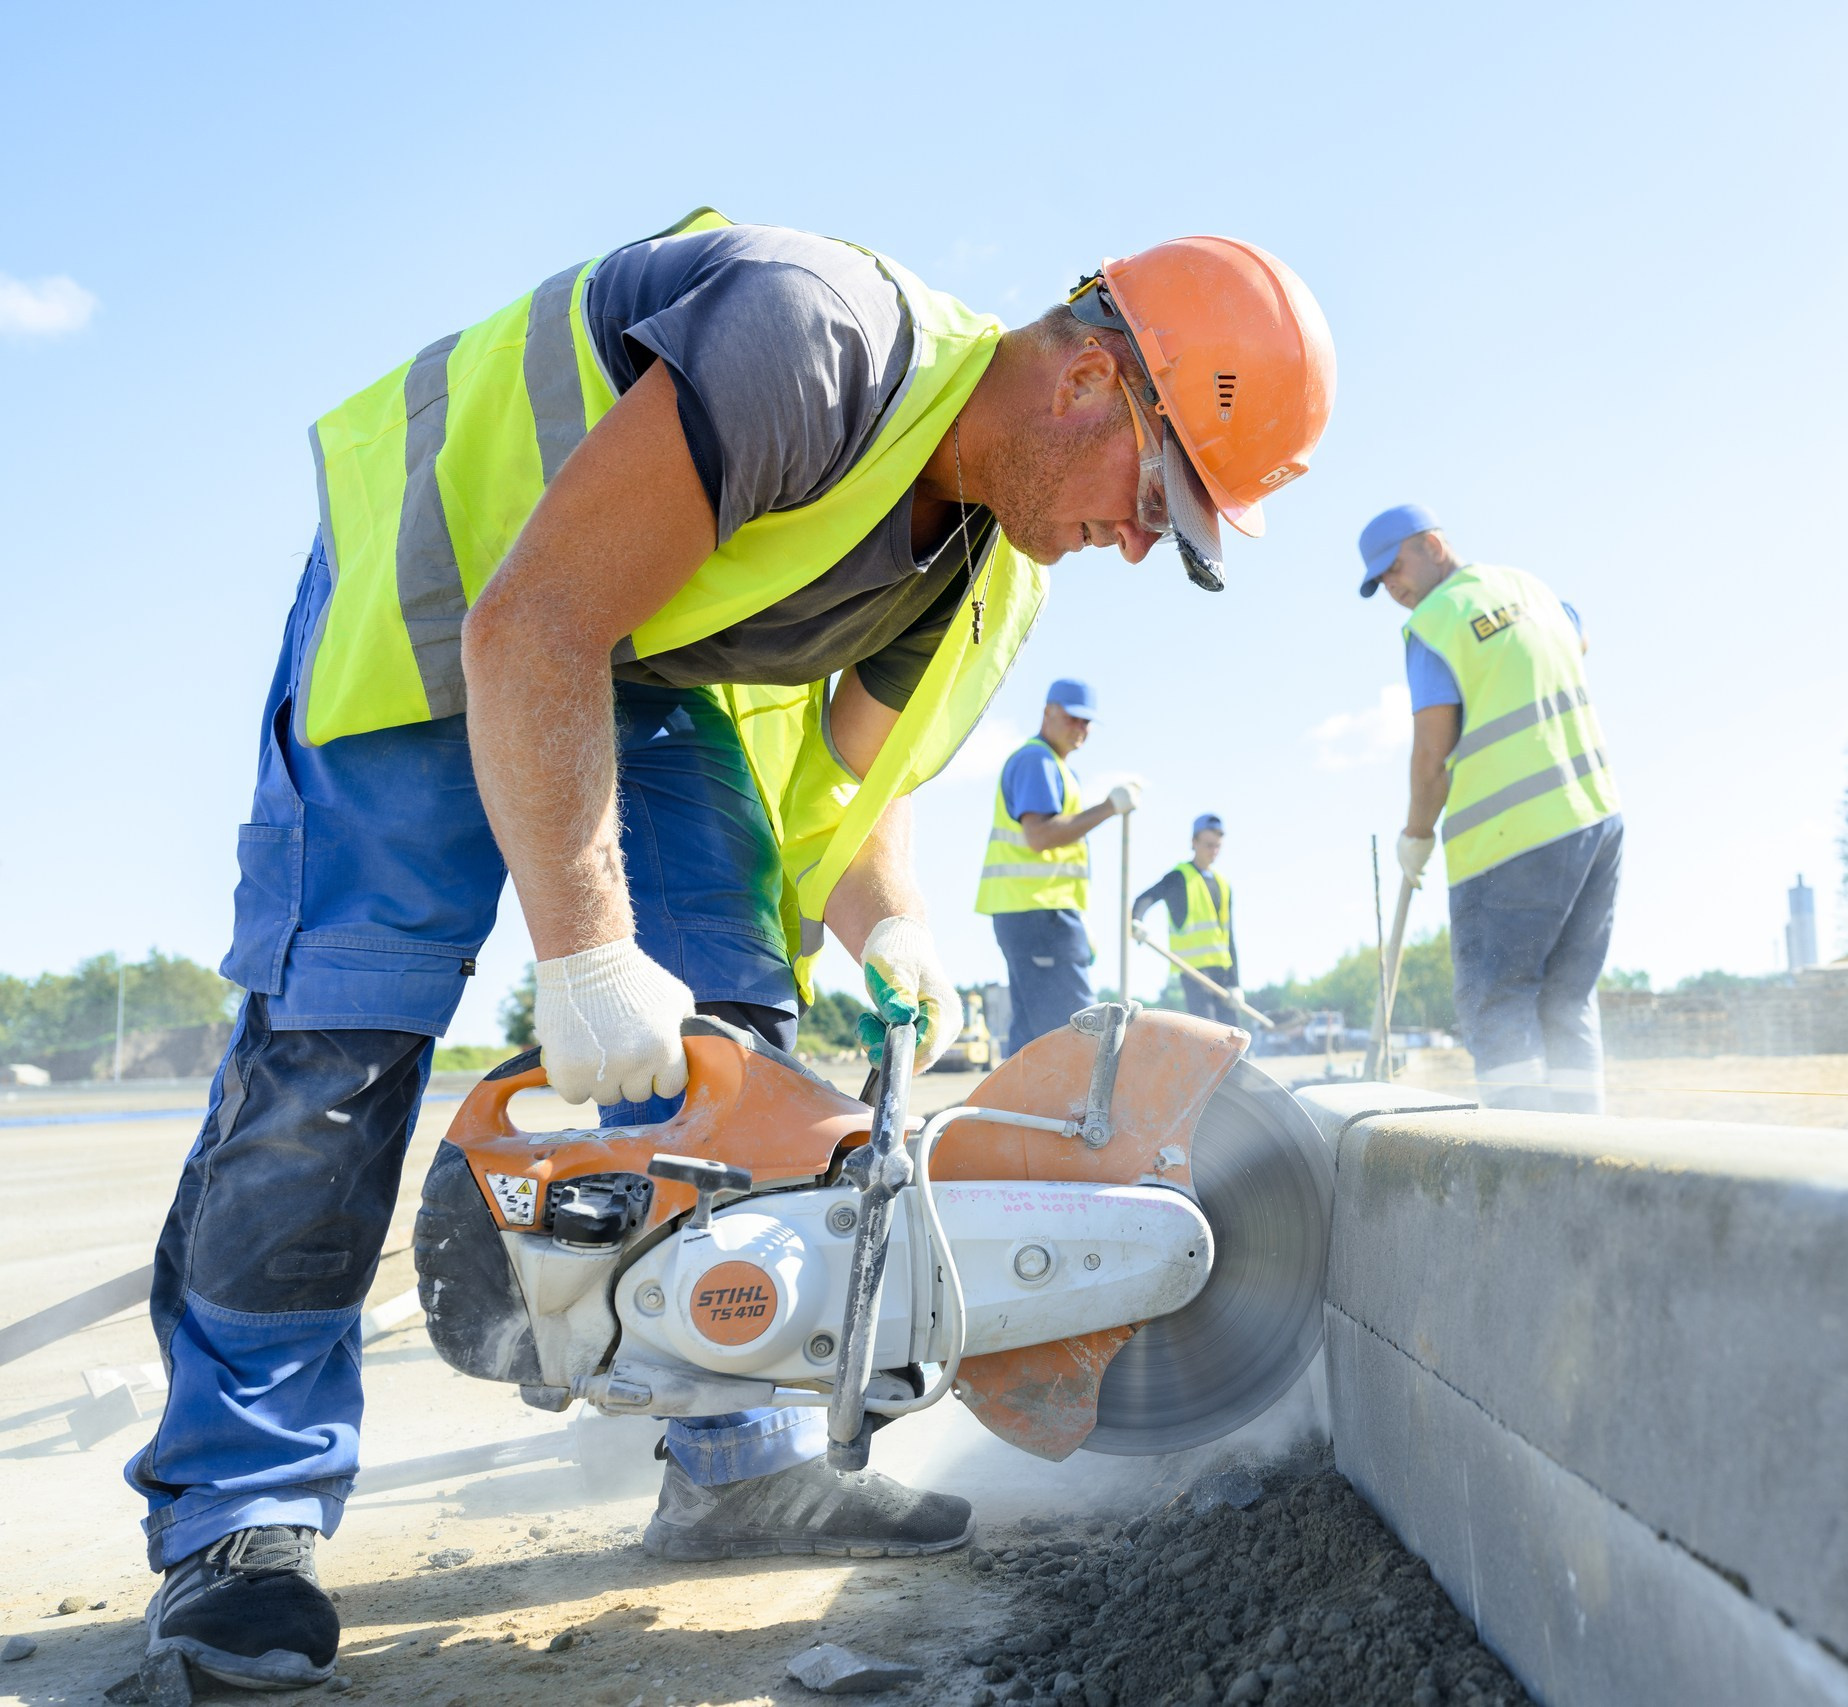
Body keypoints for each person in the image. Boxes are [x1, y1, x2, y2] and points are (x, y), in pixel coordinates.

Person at [131, 210, 1334, 1693]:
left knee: (735, 1032)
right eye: (1159, 494)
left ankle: (734, 1458)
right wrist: (583, 954)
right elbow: (532, 624)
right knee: (339, 1045)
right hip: (442, 585)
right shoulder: (813, 338)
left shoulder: (997, 564)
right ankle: (239, 1516)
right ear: (1092, 378)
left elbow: (850, 792)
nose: (1144, 542)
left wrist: (892, 923)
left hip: (636, 655)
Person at [1358, 504, 1621, 1115]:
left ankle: (1517, 1154)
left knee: (1496, 1000)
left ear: (1432, 545)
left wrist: (1416, 834)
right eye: (1380, 581)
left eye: (1394, 568)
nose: (1392, 586)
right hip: (1595, 819)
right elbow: (1578, 638)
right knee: (1567, 1000)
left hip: (1510, 838)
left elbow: (1432, 755)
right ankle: (1585, 1147)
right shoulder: (1532, 589)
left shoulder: (1434, 623)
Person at [977, 679, 1137, 1051]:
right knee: (1077, 1038)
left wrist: (1076, 921)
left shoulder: (1054, 767)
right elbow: (1040, 836)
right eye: (1072, 717)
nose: (1080, 727)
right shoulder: (1037, 761)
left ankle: (1019, 1092)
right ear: (1048, 712)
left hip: (1036, 914)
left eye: (1087, 721)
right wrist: (1108, 808)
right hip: (1039, 913)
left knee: (1035, 1039)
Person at [1135, 813, 1243, 1027]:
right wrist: (1136, 920)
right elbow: (1145, 898)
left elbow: (1229, 937)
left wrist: (1235, 983)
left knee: (1234, 1034)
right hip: (1194, 972)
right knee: (1209, 1031)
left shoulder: (1223, 884)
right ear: (1194, 842)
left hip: (1222, 974)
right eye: (1209, 845)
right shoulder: (1179, 877)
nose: (1214, 851)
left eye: (1218, 846)